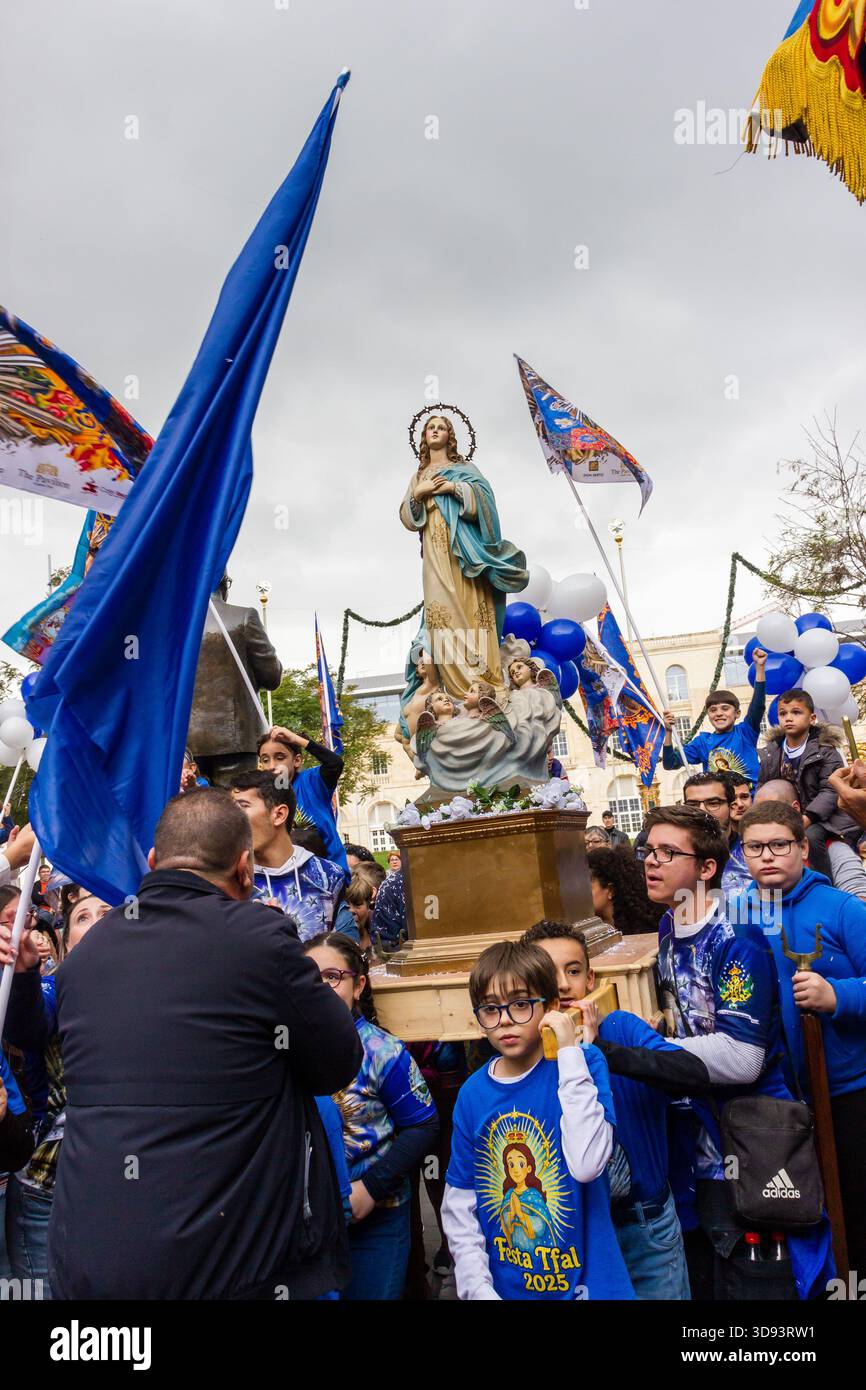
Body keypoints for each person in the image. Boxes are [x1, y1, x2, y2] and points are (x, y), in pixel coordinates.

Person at [45, 788, 363, 1300]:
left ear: (153, 862)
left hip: (92, 1256)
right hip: (223, 1263)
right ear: (245, 869)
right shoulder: (259, 938)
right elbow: (336, 1063)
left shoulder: (87, 954)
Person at [633, 805, 828, 1301]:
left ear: (706, 869)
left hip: (748, 1139)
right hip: (694, 1138)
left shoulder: (737, 936)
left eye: (668, 852)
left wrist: (643, 1050)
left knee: (758, 1286)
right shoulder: (666, 929)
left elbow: (744, 1058)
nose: (652, 862)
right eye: (648, 850)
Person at [441, 940, 633, 1300]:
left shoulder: (584, 1064)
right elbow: (459, 1202)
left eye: (520, 1004)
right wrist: (477, 1289)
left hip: (593, 1285)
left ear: (550, 1006)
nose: (506, 1021)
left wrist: (568, 1052)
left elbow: (587, 1164)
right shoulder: (472, 1094)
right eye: (490, 1009)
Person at [521, 921, 699, 1299]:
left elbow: (692, 1074)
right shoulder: (524, 1053)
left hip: (644, 1226)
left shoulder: (619, 1027)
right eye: (547, 973)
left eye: (573, 971)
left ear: (591, 978)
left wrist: (601, 1049)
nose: (563, 984)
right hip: (572, 1233)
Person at [734, 800, 866, 1273]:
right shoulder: (737, 914)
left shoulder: (843, 909)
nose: (767, 855)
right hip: (775, 1101)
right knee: (801, 1215)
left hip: (849, 1096)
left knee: (856, 1209)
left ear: (803, 849)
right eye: (754, 847)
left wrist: (838, 996)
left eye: (779, 844)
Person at [302, 931, 439, 1301]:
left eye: (332, 978)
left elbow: (423, 1125)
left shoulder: (383, 1051)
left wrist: (372, 1188)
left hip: (377, 1217)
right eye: (309, 978)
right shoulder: (287, 1050)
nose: (320, 988)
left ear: (358, 985)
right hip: (311, 1224)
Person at [0, 889, 112, 1297]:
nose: (99, 920)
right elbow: (23, 1027)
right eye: (83, 916)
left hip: (134, 1195)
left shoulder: (164, 998)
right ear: (64, 944)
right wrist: (26, 973)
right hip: (48, 1195)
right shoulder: (52, 992)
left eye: (109, 911)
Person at [230, 771, 355, 942]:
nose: (230, 817)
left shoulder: (328, 877)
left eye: (241, 806)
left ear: (279, 814)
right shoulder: (230, 879)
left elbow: (343, 948)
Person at [187, 573, 283, 787]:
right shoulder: (244, 617)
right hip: (237, 740)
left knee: (195, 812)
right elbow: (272, 677)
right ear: (225, 585)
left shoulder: (175, 624)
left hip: (187, 741)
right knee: (238, 808)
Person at [757, 688, 859, 879]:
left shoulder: (826, 751)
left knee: (811, 836)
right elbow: (763, 785)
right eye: (783, 713)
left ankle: (822, 882)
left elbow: (830, 790)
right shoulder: (771, 753)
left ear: (812, 718)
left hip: (823, 818)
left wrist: (807, 817)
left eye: (796, 712)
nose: (788, 718)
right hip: (786, 815)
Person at [662, 647, 767, 784]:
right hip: (721, 803)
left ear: (737, 713)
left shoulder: (745, 732)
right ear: (708, 715)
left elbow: (758, 706)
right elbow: (670, 763)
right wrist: (668, 732)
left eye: (725, 709)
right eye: (713, 710)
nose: (719, 714)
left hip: (750, 801)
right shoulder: (703, 742)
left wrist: (760, 668)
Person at [755, 778, 866, 900]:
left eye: (772, 811)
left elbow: (860, 903)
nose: (763, 820)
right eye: (757, 814)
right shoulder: (755, 855)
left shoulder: (833, 850)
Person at [257, 725, 347, 874]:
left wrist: (297, 739)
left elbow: (335, 764)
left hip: (329, 874)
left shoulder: (312, 781)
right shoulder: (260, 796)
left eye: (280, 758)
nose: (272, 766)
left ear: (297, 760)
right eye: (265, 760)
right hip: (286, 879)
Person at [683, 771, 751, 898]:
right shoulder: (675, 857)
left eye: (713, 803)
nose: (702, 811)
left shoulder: (753, 853)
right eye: (693, 805)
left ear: (731, 807)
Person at [587, 846, 664, 936]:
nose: (579, 896)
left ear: (611, 890)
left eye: (587, 888)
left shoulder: (646, 932)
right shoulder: (586, 933)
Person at [345, 874, 375, 952]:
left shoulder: (381, 933)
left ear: (368, 904)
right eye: (345, 905)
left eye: (357, 904)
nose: (351, 910)